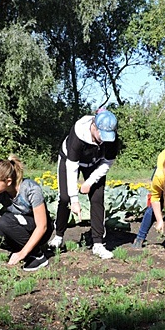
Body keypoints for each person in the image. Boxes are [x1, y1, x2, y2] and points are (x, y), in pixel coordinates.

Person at [47, 109, 119, 259]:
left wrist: (90, 182)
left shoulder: (112, 138)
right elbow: (72, 168)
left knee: (97, 198)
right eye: (101, 136)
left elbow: (108, 163)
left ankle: (98, 244)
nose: (103, 140)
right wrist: (75, 199)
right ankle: (58, 236)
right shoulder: (78, 134)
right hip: (70, 160)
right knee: (65, 198)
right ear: (94, 126)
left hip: (95, 164)